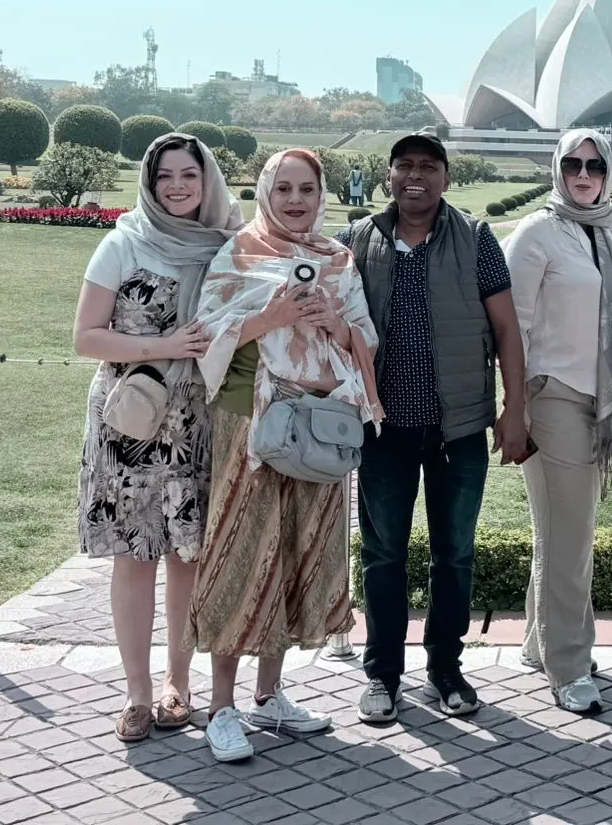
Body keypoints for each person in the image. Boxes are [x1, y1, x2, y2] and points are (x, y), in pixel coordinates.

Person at [190, 149, 384, 763]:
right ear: (265, 193)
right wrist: (268, 315)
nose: (296, 200)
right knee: (241, 547)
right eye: (284, 189)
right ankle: (221, 707)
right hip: (250, 424)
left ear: (321, 195)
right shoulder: (240, 252)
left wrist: (335, 323)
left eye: (307, 189)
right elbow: (205, 334)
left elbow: (365, 339)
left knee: (300, 546)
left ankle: (269, 695)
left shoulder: (336, 259)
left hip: (318, 424)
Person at [346, 130, 528, 723]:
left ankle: (446, 670)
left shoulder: (475, 238)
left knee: (454, 554)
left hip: (459, 427)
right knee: (382, 554)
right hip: (384, 428)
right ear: (389, 175)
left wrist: (515, 408)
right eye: (405, 165)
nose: (415, 176)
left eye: (428, 166)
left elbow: (507, 329)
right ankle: (383, 676)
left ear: (446, 178)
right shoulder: (359, 240)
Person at [74, 134, 244, 744]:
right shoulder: (123, 243)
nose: (176, 186)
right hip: (132, 423)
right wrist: (165, 345)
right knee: (134, 555)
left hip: (198, 422)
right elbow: (86, 337)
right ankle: (137, 693)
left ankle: (179, 685)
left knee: (187, 555)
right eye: (164, 175)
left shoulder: (227, 248)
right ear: (149, 183)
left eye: (188, 175)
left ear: (207, 180)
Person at [504, 128, 612, 714]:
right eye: (574, 164)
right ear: (558, 168)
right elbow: (511, 327)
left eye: (595, 165)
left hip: (597, 399)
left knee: (558, 530)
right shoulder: (538, 232)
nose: (584, 175)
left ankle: (540, 643)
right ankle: (570, 664)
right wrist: (516, 408)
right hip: (552, 395)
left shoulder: (611, 229)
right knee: (571, 535)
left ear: (608, 173)